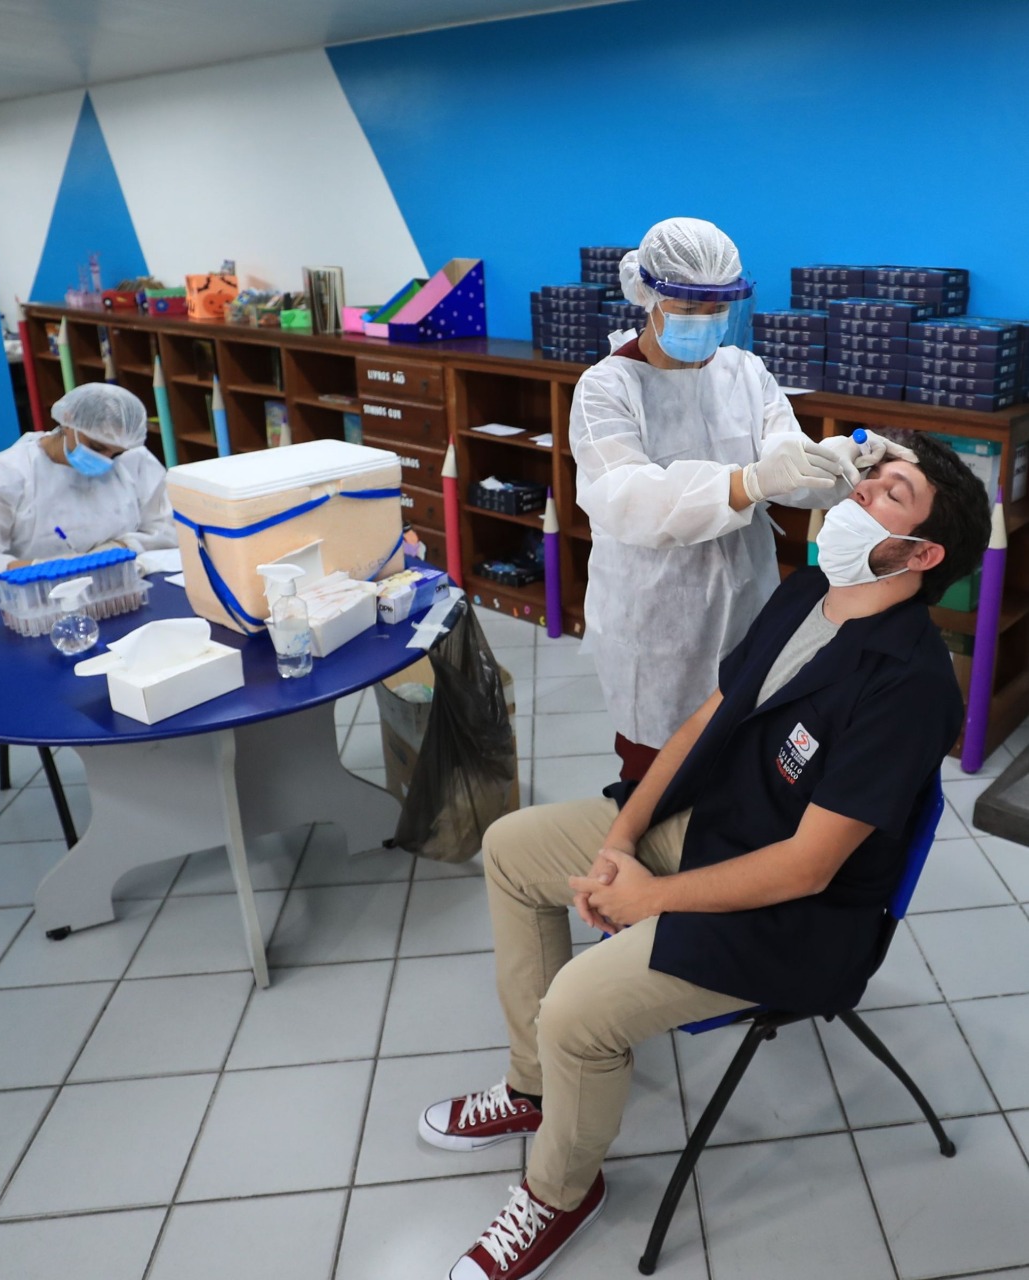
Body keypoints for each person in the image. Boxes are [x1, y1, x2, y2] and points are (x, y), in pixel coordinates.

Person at [419, 431, 989, 1280]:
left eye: (886, 494)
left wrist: (645, 898)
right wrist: (620, 841)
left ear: (920, 552)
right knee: (511, 848)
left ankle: (560, 1192)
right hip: (715, 827)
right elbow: (701, 723)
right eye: (866, 478)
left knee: (577, 1007)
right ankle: (534, 1090)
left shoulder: (907, 685)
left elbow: (805, 868)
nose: (857, 493)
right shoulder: (807, 592)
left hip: (795, 914)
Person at [568, 216, 918, 783]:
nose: (707, 319)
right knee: (657, 767)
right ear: (648, 294)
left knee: (736, 748)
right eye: (690, 306)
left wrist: (839, 462)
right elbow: (624, 498)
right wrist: (746, 484)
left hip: (748, 596)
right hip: (656, 612)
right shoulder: (606, 388)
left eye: (719, 306)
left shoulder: (746, 372)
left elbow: (787, 464)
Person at [0, 383, 176, 598]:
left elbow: (167, 530)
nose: (105, 459)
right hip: (31, 605)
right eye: (96, 447)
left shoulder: (135, 462)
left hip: (116, 593)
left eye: (116, 453)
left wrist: (116, 550)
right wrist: (44, 571)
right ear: (68, 421)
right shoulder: (5, 476)